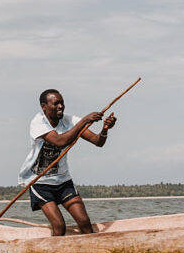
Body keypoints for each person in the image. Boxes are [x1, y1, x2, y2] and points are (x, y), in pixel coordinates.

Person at [18, 89, 116, 236]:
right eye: (56, 103)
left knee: (84, 223)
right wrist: (84, 121)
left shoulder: (69, 121)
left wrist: (105, 129)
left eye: (62, 102)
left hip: (63, 181)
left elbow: (98, 141)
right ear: (44, 106)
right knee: (59, 226)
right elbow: (59, 141)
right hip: (40, 182)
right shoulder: (38, 122)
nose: (60, 106)